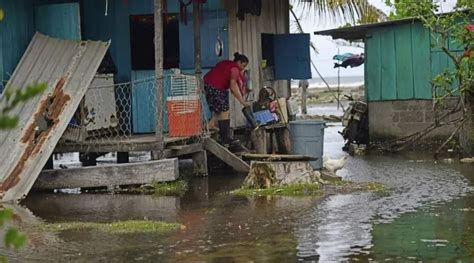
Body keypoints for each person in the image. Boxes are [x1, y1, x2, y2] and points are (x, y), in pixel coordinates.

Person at [204, 52, 249, 146]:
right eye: (243, 66)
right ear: (239, 62)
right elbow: (233, 87)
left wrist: (241, 99)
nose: (243, 69)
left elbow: (232, 89)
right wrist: (242, 101)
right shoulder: (235, 69)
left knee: (219, 108)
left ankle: (211, 124)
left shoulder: (227, 63)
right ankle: (225, 137)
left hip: (208, 83)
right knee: (225, 110)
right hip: (215, 86)